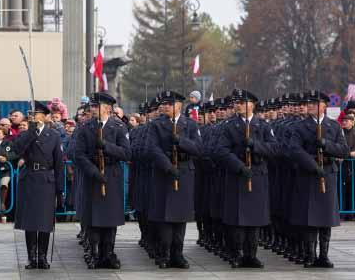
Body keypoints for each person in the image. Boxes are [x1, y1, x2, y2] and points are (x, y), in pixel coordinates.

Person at [216, 89, 279, 268]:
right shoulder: (229, 126)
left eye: (242, 102)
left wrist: (255, 146)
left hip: (257, 175)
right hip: (238, 176)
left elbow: (274, 149)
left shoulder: (263, 125)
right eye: (236, 102)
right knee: (238, 218)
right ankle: (238, 253)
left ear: (252, 104)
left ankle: (252, 254)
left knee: (255, 218)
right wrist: (239, 166)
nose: (238, 105)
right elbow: (222, 151)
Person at [288, 90, 349, 268]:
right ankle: (309, 255)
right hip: (309, 175)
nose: (310, 106)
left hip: (328, 174)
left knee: (325, 218)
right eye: (309, 103)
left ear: (324, 106)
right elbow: (295, 150)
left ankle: (324, 255)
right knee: (309, 219)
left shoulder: (334, 126)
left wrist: (326, 145)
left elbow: (343, 150)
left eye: (314, 103)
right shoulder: (300, 127)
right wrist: (313, 165)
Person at [73, 92, 131, 269]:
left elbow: (127, 153)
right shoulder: (85, 128)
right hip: (93, 176)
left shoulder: (118, 127)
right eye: (91, 106)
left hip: (111, 176)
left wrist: (106, 146)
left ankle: (109, 253)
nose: (92, 109)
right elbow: (79, 155)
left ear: (107, 108)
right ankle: (95, 253)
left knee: (110, 218)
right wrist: (93, 171)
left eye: (96, 106)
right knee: (93, 218)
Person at [144, 90, 201, 269]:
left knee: (180, 217)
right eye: (163, 104)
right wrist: (168, 166)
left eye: (169, 104)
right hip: (165, 173)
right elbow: (151, 149)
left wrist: (181, 141)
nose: (164, 107)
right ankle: (164, 254)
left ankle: (178, 254)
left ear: (179, 105)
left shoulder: (190, 125)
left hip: (184, 173)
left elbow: (199, 149)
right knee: (164, 216)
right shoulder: (156, 125)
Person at [11, 101, 64, 269]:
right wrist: (30, 132)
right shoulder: (27, 133)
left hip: (46, 179)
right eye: (32, 114)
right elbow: (16, 150)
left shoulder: (53, 135)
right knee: (30, 221)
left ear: (44, 116)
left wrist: (59, 189)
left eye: (37, 113)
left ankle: (42, 256)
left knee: (44, 221)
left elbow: (59, 164)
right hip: (29, 179)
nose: (33, 116)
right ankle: (31, 257)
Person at [342, 114, 355, 220]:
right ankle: (343, 213)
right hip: (343, 166)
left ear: (352, 122)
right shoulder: (341, 133)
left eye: (347, 120)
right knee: (343, 189)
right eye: (344, 120)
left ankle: (352, 214)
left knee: (352, 189)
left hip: (352, 165)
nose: (344, 122)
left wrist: (350, 154)